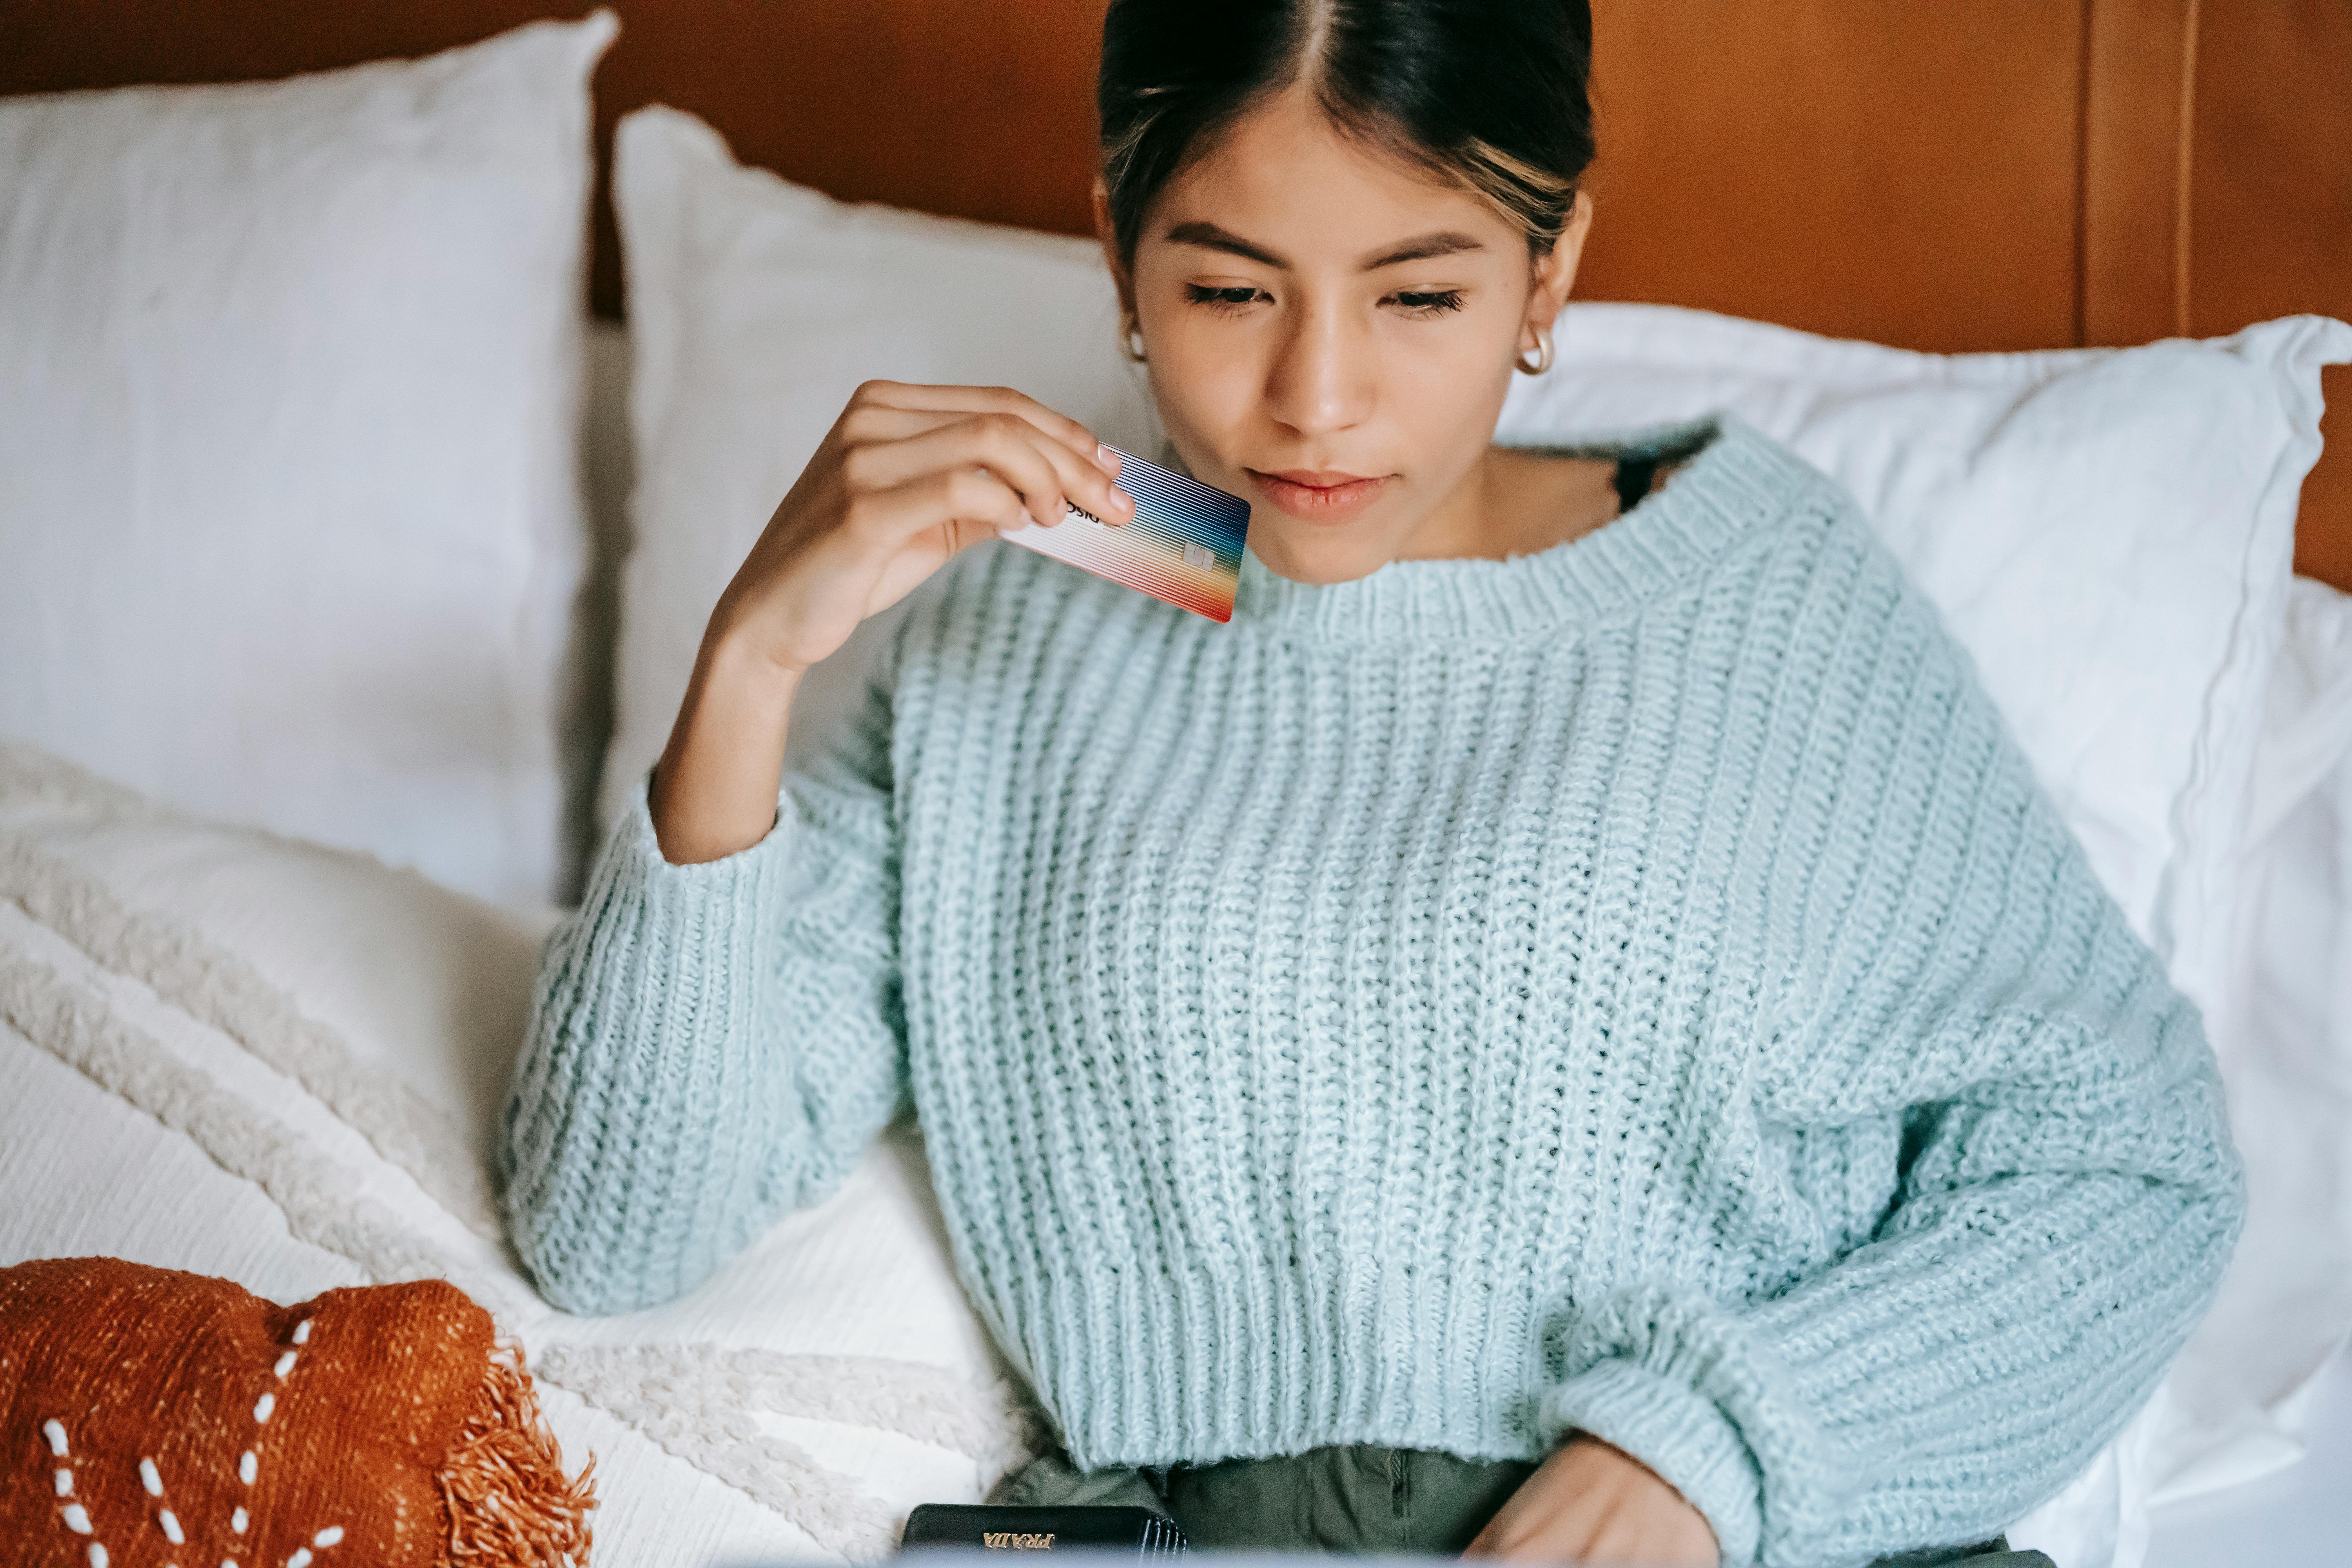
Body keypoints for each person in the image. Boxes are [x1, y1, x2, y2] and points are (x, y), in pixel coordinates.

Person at [496, 2, 2247, 1563]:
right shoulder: (1050, 599)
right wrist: (745, 672)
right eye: (1227, 289)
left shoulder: (1744, 585)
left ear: (1549, 272)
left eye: (1420, 294)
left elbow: (2128, 1165)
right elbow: (610, 1229)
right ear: (1118, 252)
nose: (1314, 400)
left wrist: (1720, 1454)